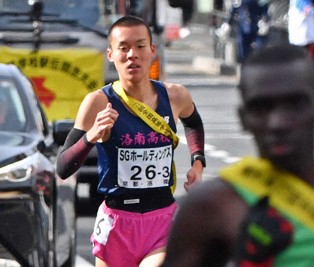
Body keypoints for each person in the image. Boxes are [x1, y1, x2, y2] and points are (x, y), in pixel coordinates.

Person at [161, 44, 314, 266]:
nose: (278, 122)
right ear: (244, 118)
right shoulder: (211, 207)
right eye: (262, 107)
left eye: (295, 103)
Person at [56, 15, 205, 267]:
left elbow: (193, 122)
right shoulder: (97, 102)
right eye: (123, 48)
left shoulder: (175, 96)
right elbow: (62, 167)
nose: (132, 55)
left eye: (140, 46)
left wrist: (198, 161)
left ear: (152, 50)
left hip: (162, 220)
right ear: (110, 54)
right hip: (117, 222)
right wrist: (91, 137)